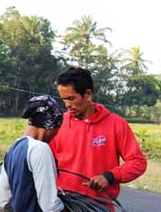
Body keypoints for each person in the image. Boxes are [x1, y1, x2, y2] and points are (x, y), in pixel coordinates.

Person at [50, 67, 147, 207]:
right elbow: (45, 164)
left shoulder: (116, 124)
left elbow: (138, 162)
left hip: (99, 207)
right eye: (64, 100)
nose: (67, 105)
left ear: (88, 94)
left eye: (71, 99)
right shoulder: (58, 124)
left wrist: (110, 177)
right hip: (64, 205)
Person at [0, 95, 65, 212]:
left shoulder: (12, 148)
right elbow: (51, 207)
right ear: (51, 125)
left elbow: (1, 202)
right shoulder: (40, 149)